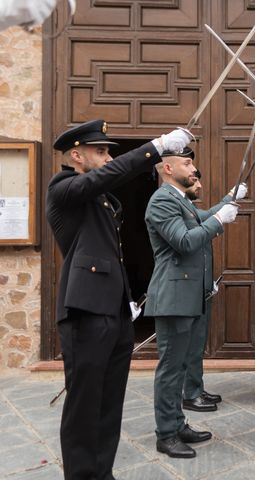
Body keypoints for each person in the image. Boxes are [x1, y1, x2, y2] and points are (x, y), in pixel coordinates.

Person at [46, 119, 192, 479]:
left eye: (109, 151)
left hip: (113, 310)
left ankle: (102, 472)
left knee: (110, 403)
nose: (108, 157)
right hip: (84, 312)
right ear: (76, 155)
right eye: (101, 150)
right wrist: (156, 147)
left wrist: (125, 300)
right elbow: (105, 177)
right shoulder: (63, 187)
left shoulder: (102, 199)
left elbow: (112, 252)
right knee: (84, 405)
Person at [144, 148, 241, 459]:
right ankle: (166, 434)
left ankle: (177, 423)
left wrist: (229, 199)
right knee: (170, 369)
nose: (194, 167)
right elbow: (185, 241)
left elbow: (201, 217)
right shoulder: (161, 200)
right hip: (173, 298)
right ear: (168, 168)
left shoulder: (179, 199)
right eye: (187, 163)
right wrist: (219, 221)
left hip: (188, 296)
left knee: (182, 365)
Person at [181, 171, 247, 414]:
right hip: (187, 288)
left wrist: (230, 196)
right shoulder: (175, 205)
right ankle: (190, 394)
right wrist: (221, 216)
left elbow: (206, 216)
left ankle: (195, 388)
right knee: (188, 345)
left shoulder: (187, 206)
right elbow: (193, 235)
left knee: (198, 343)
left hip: (201, 288)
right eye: (195, 181)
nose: (199, 185)